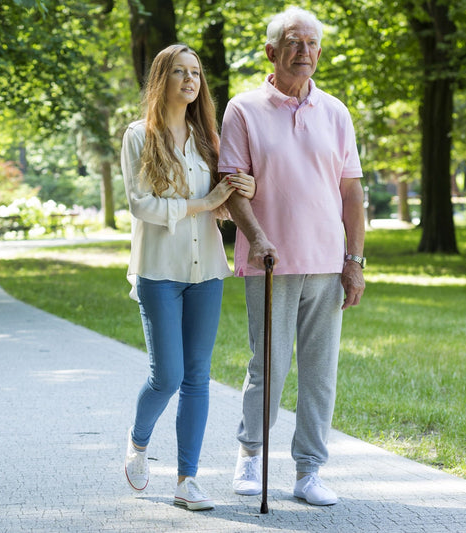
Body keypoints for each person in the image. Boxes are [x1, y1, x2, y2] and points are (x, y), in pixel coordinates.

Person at [218, 7, 366, 506]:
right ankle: (250, 456)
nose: (304, 52)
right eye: (293, 42)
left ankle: (309, 471)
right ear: (271, 51)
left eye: (311, 44)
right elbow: (232, 186)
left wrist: (354, 260)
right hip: (270, 262)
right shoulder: (243, 109)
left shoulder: (336, 112)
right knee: (270, 365)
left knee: (320, 372)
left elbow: (351, 195)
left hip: (326, 262)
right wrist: (256, 237)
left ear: (319, 52)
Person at [121, 43, 255, 511]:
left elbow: (222, 207)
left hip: (207, 274)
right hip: (159, 271)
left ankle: (187, 479)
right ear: (162, 79)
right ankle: (138, 444)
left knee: (198, 377)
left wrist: (244, 191)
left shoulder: (207, 139)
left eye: (195, 72)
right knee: (168, 376)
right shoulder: (138, 136)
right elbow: (141, 205)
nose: (189, 80)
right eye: (179, 71)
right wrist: (203, 203)